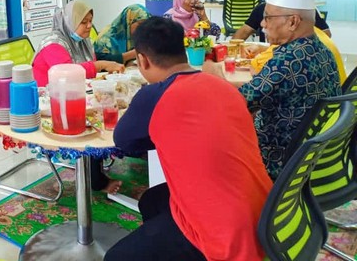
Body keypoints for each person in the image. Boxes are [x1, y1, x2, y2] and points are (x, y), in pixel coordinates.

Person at [105, 17, 272, 261]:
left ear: (142, 60)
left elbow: (124, 142)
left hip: (225, 235)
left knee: (115, 258)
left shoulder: (154, 95)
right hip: (265, 212)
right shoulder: (224, 86)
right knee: (152, 200)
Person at [203, 0, 341, 180]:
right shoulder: (321, 50)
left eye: (268, 17)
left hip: (278, 160)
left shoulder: (286, 61)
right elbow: (262, 89)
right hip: (314, 156)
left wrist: (214, 72)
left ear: (293, 22)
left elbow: (235, 104)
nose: (262, 24)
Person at [32, 0, 124, 193]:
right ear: (69, 21)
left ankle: (95, 170)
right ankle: (95, 179)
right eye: (84, 22)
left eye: (91, 21)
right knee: (92, 121)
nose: (89, 26)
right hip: (48, 103)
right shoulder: (53, 44)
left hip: (72, 96)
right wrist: (101, 65)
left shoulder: (82, 41)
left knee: (106, 107)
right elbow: (70, 73)